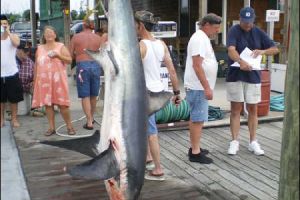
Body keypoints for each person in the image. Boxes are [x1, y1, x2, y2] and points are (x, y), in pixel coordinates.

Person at [135, 10, 181, 181]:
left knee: (151, 131)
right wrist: (176, 93)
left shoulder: (140, 46)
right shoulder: (161, 44)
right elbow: (172, 72)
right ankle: (147, 158)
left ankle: (158, 168)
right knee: (147, 127)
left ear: (140, 25)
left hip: (145, 94)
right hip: (159, 92)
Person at [226, 7, 279, 155]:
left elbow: (275, 49)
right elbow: (231, 49)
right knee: (236, 109)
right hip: (235, 74)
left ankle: (253, 141)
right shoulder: (234, 30)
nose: (247, 25)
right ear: (240, 18)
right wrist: (240, 61)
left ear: (253, 20)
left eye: (249, 22)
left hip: (253, 75)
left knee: (253, 109)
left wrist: (263, 51)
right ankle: (234, 141)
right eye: (244, 22)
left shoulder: (259, 33)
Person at [184, 13, 222, 164]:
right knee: (198, 120)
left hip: (198, 86)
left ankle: (195, 146)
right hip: (198, 87)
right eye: (216, 27)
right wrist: (207, 87)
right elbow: (197, 65)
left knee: (197, 119)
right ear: (206, 25)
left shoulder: (202, 38)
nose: (217, 31)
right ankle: (195, 152)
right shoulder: (199, 38)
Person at [31, 26, 76, 136]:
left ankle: (69, 126)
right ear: (44, 36)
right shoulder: (40, 48)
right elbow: (36, 64)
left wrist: (58, 55)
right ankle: (51, 128)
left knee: (63, 105)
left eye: (51, 32)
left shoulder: (60, 46)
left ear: (55, 35)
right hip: (44, 81)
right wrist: (34, 79)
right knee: (48, 105)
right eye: (47, 33)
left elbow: (70, 60)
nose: (49, 34)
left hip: (58, 81)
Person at [69, 18, 102, 130]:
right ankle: (91, 118)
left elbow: (70, 56)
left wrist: (76, 53)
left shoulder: (76, 37)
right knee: (93, 94)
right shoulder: (98, 38)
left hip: (83, 66)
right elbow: (102, 53)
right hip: (96, 65)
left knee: (85, 95)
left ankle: (89, 122)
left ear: (83, 25)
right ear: (92, 26)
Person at [1, 14, 23, 128]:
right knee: (1, 100)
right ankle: (1, 119)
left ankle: (14, 119)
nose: (2, 25)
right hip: (1, 74)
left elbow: (17, 44)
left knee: (14, 99)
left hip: (12, 72)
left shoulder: (13, 36)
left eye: (4, 23)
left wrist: (8, 31)